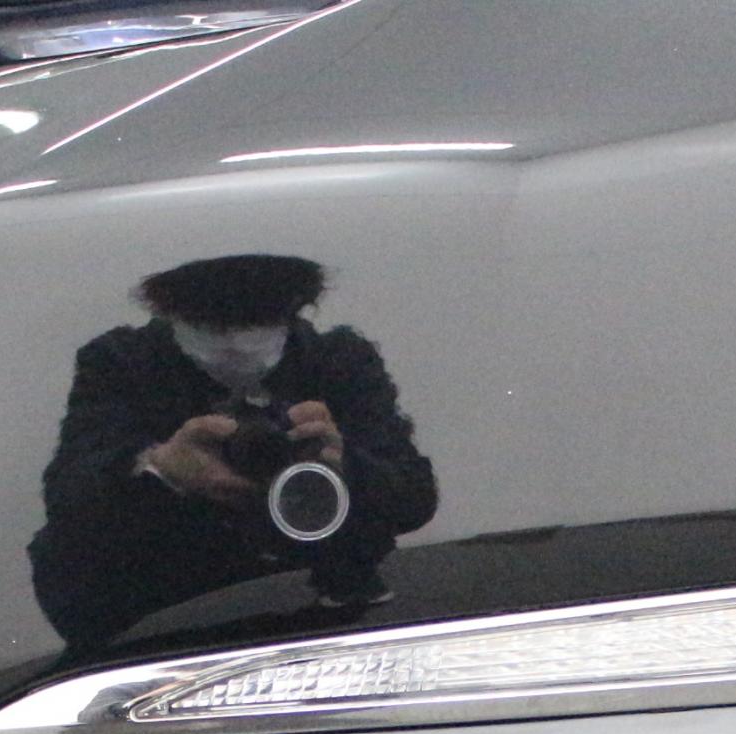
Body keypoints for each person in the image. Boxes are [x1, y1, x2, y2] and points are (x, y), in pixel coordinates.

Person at [28, 253, 438, 656]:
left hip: (323, 618)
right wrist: (159, 468)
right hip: (164, 624)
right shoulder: (121, 364)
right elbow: (70, 499)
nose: (238, 343)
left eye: (259, 323)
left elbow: (414, 498)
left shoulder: (339, 362)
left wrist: (342, 467)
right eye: (212, 327)